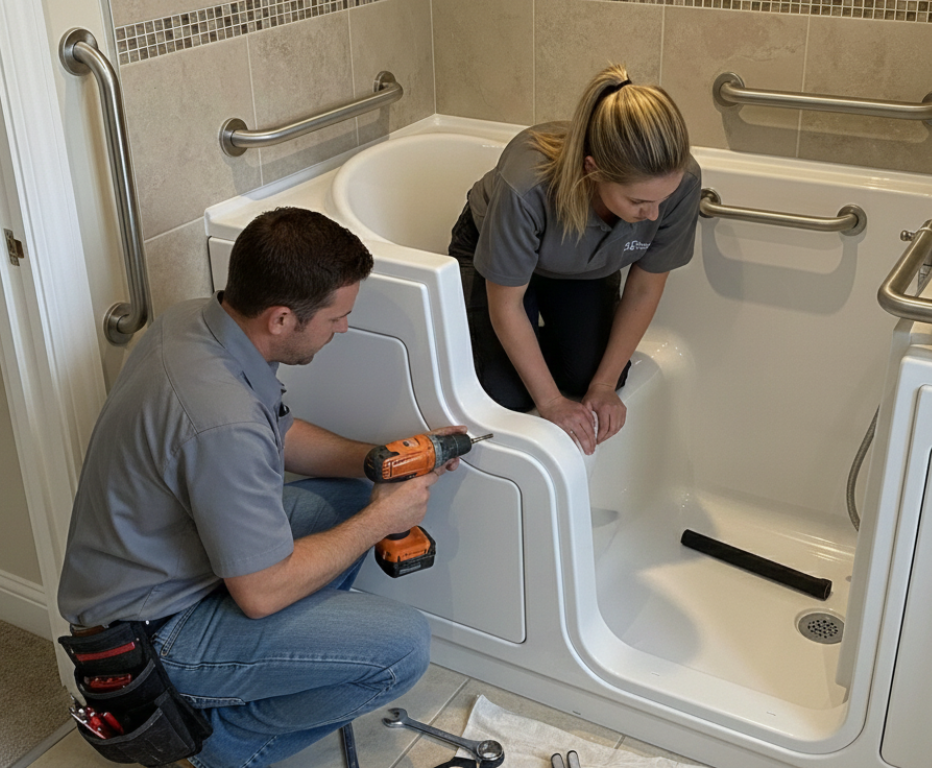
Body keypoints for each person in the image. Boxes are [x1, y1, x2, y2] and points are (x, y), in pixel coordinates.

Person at [57, 207, 461, 768]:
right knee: (401, 649)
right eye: (335, 317)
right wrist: (381, 521)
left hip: (174, 568)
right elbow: (263, 590)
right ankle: (211, 749)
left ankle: (271, 664)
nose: (342, 328)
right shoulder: (220, 419)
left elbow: (280, 431)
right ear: (280, 319)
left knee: (347, 498)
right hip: (150, 638)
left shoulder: (193, 323)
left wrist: (376, 465)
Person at [449, 64, 701, 455]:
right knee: (507, 394)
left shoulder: (679, 181)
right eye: (638, 202)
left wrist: (601, 385)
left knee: (595, 379)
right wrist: (551, 402)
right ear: (593, 169)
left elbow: (645, 287)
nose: (653, 215)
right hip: (501, 263)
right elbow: (508, 305)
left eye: (661, 201)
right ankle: (513, 336)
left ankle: (549, 333)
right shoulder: (527, 184)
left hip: (581, 268)